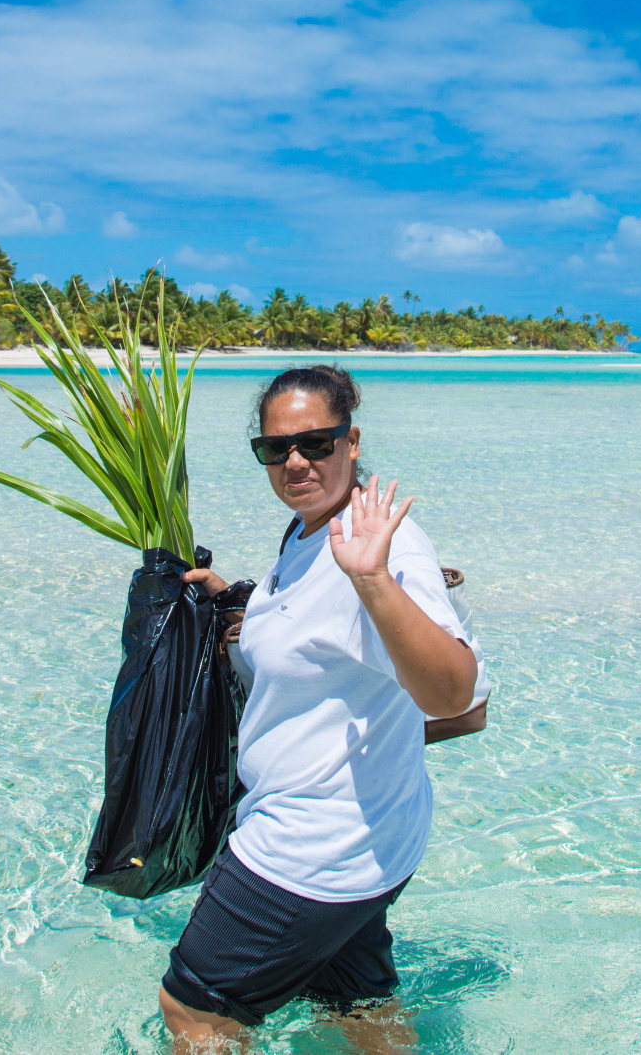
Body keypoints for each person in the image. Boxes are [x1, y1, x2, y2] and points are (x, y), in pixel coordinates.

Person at [161, 364, 486, 1049]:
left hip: (310, 848)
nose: (296, 462)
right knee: (354, 1003)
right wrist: (244, 608)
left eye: (316, 442)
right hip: (370, 839)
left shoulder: (384, 552)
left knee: (193, 1009)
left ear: (353, 439)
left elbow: (455, 694)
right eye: (275, 449)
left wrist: (372, 578)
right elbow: (326, 649)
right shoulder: (309, 529)